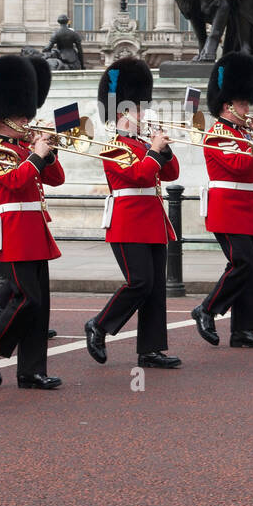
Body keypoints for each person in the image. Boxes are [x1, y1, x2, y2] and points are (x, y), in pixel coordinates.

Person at [0, 55, 65, 390]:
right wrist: (36, 155)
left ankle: (31, 370)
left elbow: (57, 179)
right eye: (20, 114)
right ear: (2, 117)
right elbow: (13, 183)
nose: (27, 119)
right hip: (15, 229)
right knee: (27, 298)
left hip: (36, 228)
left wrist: (48, 152)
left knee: (41, 305)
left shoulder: (27, 147)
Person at [84, 57, 182, 369]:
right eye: (138, 110)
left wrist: (162, 149)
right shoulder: (113, 146)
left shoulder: (142, 144)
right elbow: (139, 175)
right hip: (127, 223)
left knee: (155, 289)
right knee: (139, 282)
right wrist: (154, 150)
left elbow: (171, 174)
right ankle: (99, 325)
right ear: (124, 114)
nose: (143, 114)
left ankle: (150, 350)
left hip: (152, 221)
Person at [190, 52, 253, 349]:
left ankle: (243, 329)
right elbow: (240, 165)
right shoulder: (217, 134)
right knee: (242, 262)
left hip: (248, 209)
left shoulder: (240, 133)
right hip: (227, 209)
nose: (247, 107)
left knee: (252, 268)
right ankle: (207, 308)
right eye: (242, 103)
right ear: (228, 105)